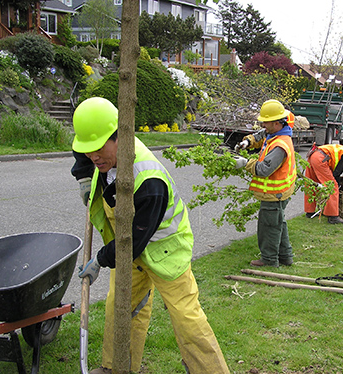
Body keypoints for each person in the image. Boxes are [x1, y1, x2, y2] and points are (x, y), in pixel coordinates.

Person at [71, 97, 229, 374]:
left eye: (98, 150)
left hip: (165, 249)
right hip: (130, 247)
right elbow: (82, 150)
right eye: (88, 151)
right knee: (119, 306)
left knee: (185, 316)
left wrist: (99, 259)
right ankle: (117, 366)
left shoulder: (149, 181)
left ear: (119, 135)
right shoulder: (97, 149)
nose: (93, 157)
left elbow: (129, 243)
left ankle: (210, 371)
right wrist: (84, 177)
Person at [234, 100, 296, 267]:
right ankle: (285, 256)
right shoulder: (277, 133)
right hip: (279, 192)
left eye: (266, 121)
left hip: (274, 194)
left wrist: (245, 163)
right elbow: (262, 134)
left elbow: (263, 169)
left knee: (269, 227)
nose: (263, 124)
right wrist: (248, 141)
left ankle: (269, 260)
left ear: (276, 123)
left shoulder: (280, 146)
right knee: (278, 223)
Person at [304, 144, 343, 223]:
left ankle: (309, 211)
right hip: (321, 159)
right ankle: (333, 216)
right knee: (332, 186)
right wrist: (338, 185)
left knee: (312, 183)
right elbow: (336, 173)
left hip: (314, 155)